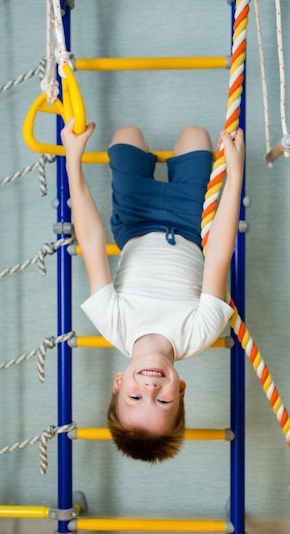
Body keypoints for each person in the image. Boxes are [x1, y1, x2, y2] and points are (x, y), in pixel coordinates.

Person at [61, 118, 245, 463]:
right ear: (181, 390)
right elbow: (220, 252)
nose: (150, 389)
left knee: (126, 134)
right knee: (195, 134)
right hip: (193, 222)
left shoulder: (112, 323)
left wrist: (73, 161)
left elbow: (90, 240)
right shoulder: (200, 334)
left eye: (134, 398)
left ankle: (137, 151)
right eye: (163, 401)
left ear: (118, 383)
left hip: (135, 218)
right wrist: (235, 175)